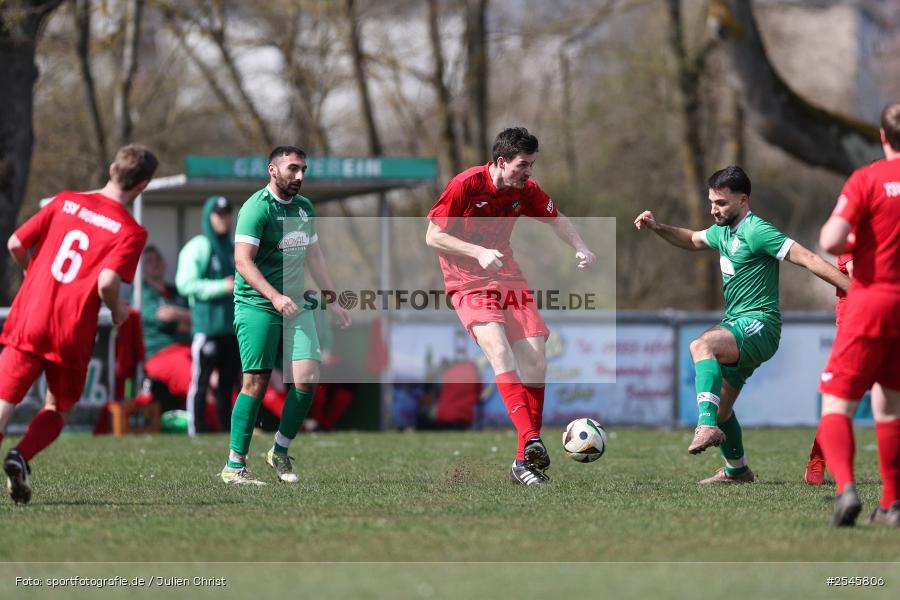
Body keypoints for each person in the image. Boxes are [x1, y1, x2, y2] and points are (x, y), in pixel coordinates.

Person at [635, 165, 849, 484]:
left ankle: (706, 426)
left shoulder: (757, 231)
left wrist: (854, 290)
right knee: (723, 409)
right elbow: (692, 239)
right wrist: (657, 227)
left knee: (701, 345)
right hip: (738, 325)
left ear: (743, 200)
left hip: (760, 324)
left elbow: (808, 258)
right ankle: (737, 470)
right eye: (711, 202)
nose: (714, 209)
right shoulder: (722, 232)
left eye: (721, 202)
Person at [425, 127, 596, 486]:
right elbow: (433, 235)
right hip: (466, 282)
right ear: (501, 162)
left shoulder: (526, 191)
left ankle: (523, 461)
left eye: (532, 164)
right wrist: (478, 252)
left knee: (536, 359)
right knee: (500, 354)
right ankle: (530, 441)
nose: (529, 172)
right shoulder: (466, 185)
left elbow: (557, 219)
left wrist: (579, 245)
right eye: (523, 165)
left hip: (508, 278)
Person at [0, 144, 157, 504]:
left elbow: (14, 243)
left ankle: (15, 453)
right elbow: (106, 283)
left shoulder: (64, 200)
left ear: (112, 167)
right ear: (143, 185)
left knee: (4, 404)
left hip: (30, 315)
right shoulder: (131, 231)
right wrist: (117, 311)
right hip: (70, 330)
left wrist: (30, 271)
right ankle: (20, 455)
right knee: (58, 407)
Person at [221, 145, 351, 485]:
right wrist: (274, 297)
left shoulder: (305, 209)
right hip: (257, 304)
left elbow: (315, 258)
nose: (300, 176)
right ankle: (234, 466)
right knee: (256, 382)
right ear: (272, 170)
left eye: (304, 169)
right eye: (293, 168)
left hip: (295, 303)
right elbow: (242, 262)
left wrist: (334, 300)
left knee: (307, 377)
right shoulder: (256, 209)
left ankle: (279, 451)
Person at [815, 102, 900, 527]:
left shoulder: (866, 179)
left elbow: (831, 239)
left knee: (836, 403)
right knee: (890, 404)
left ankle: (847, 489)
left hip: (870, 302)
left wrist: (856, 237)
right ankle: (891, 504)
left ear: (882, 137)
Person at [176, 196, 240, 435]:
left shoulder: (234, 247)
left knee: (227, 385)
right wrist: (220, 287)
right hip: (207, 329)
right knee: (201, 382)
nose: (224, 219)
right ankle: (197, 429)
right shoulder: (199, 246)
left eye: (227, 214)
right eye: (219, 214)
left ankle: (226, 431)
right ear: (208, 216)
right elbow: (185, 284)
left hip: (231, 329)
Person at [139, 245, 193, 407]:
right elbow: (164, 319)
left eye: (157, 259)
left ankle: (241, 423)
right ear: (143, 268)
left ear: (164, 263)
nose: (155, 264)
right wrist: (183, 318)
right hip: (161, 353)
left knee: (216, 376)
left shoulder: (176, 292)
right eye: (149, 261)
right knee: (194, 383)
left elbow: (196, 319)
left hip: (187, 348)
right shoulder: (143, 294)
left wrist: (176, 314)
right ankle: (213, 426)